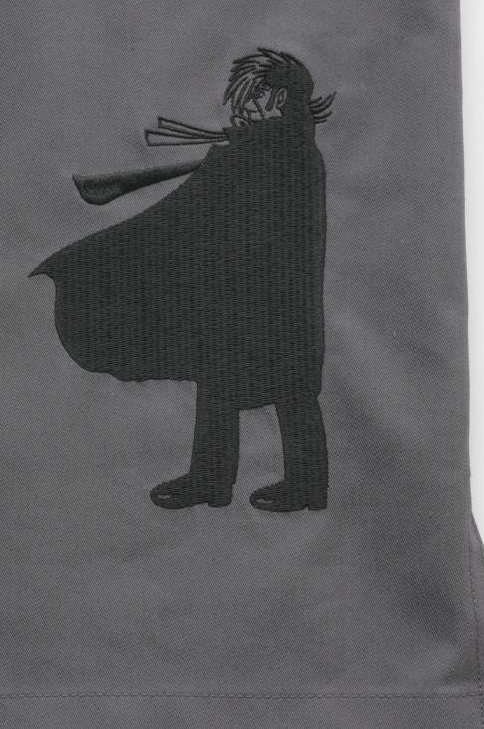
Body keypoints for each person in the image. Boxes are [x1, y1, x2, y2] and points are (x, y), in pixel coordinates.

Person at [31, 49, 335, 513]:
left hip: (272, 301)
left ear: (280, 101)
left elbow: (185, 214)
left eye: (252, 103)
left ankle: (295, 485)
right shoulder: (277, 153)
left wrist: (101, 253)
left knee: (283, 390)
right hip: (255, 300)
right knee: (235, 384)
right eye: (240, 104)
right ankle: (222, 480)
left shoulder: (275, 156)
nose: (241, 113)